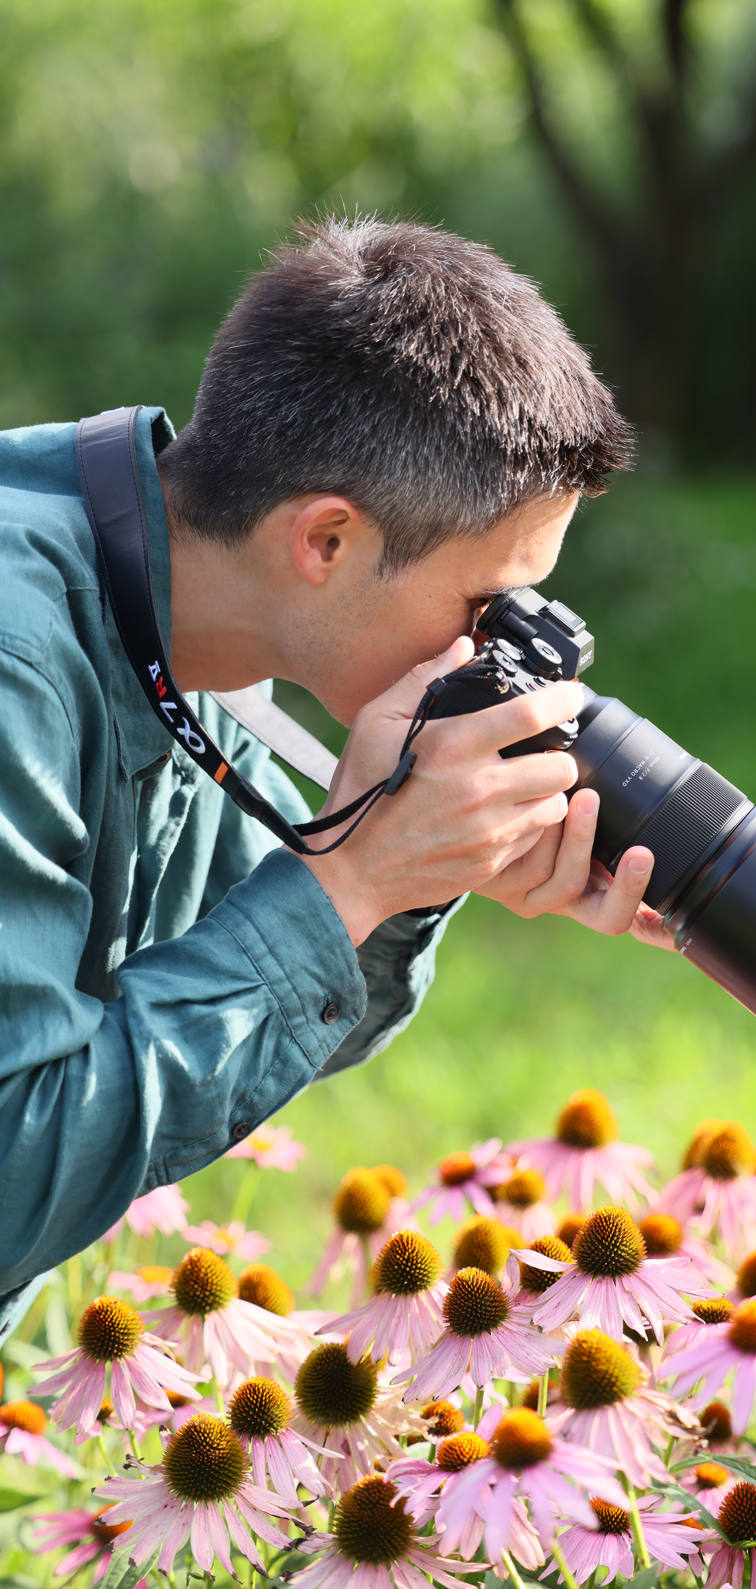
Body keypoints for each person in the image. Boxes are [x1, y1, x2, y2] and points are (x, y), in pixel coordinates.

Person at [0, 215, 670, 1340]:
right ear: (326, 543)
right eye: (484, 608)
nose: (495, 655)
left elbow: (220, 1037)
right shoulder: (20, 659)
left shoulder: (188, 618)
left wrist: (408, 871)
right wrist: (346, 881)